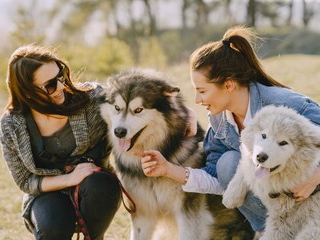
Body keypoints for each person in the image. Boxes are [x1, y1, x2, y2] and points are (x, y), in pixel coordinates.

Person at [138, 26, 320, 235]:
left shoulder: (286, 106)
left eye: (202, 91)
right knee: (228, 164)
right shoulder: (220, 120)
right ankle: (266, 230)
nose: (198, 100)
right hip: (279, 210)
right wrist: (168, 169)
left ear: (229, 85)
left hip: (314, 206)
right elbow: (216, 176)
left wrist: (317, 175)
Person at [0, 45, 122, 240]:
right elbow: (24, 180)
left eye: (61, 75)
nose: (61, 87)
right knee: (52, 229)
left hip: (94, 185)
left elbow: (129, 106)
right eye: (50, 85)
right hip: (45, 194)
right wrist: (68, 179)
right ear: (27, 92)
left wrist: (179, 120)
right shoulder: (12, 125)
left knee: (102, 185)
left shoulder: (91, 99)